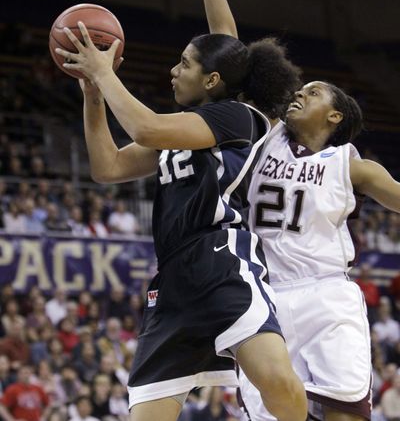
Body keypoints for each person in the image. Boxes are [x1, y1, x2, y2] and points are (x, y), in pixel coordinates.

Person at [179, 0, 400, 421]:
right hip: (265, 297)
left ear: (336, 117)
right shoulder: (266, 132)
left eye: (317, 91)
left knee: (347, 413)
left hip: (328, 296)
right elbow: (225, 45)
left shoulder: (352, 165)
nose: (303, 91)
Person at [55, 23, 307, 421]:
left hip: (221, 261)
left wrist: (104, 72)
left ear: (212, 79)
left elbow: (145, 127)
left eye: (184, 63)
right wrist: (93, 96)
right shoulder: (183, 130)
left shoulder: (240, 118)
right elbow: (108, 166)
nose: (173, 70)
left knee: (278, 382)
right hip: (172, 281)